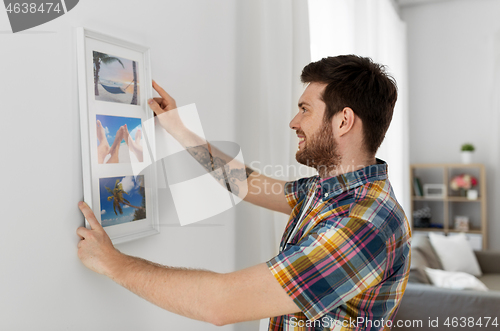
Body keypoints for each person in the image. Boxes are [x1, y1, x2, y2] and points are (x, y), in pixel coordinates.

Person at [77, 55, 410, 330]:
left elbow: (220, 304)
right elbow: (245, 182)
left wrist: (115, 264)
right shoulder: (332, 190)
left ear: (343, 121)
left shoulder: (364, 222)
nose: (294, 121)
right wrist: (180, 130)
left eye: (305, 109)